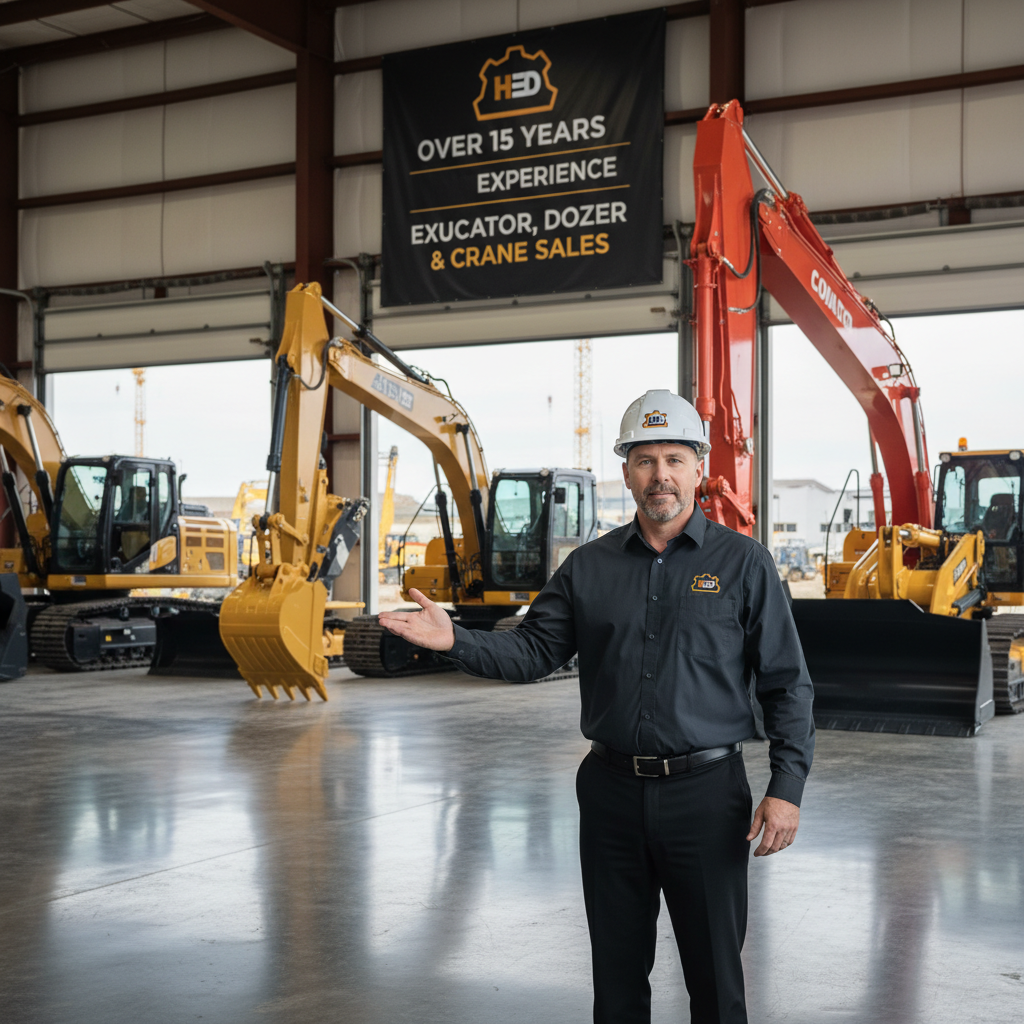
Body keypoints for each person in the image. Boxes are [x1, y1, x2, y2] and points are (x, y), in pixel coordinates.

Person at [379, 389, 815, 1024]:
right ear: (626, 471)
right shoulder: (588, 567)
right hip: (610, 795)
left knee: (717, 979)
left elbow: (787, 682)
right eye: (644, 460)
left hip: (707, 796)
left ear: (699, 467)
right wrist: (457, 641)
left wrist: (788, 786)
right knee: (615, 978)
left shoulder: (744, 564)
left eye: (674, 458)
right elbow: (532, 652)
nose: (660, 475)